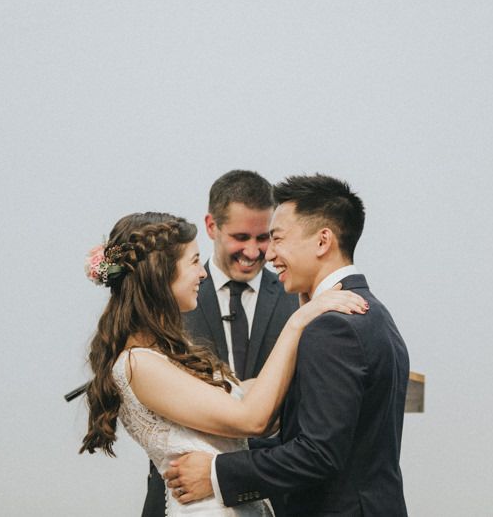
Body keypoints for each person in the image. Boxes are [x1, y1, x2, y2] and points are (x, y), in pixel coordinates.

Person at [79, 211, 368, 516]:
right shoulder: (139, 364)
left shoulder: (166, 352)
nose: (202, 274)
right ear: (161, 274)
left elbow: (248, 398)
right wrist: (297, 323)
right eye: (193, 262)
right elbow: (251, 419)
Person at [164, 175, 410, 517]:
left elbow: (319, 453)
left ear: (323, 241)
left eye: (276, 238)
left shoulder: (333, 325)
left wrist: (217, 472)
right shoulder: (371, 311)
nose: (269, 254)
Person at [143, 171, 298, 517]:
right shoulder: (169, 302)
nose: (253, 251)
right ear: (212, 226)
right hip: (180, 495)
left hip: (275, 498)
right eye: (240, 237)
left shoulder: (295, 299)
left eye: (264, 237)